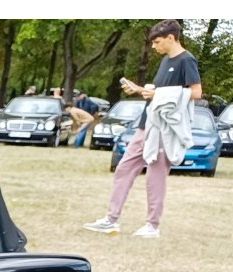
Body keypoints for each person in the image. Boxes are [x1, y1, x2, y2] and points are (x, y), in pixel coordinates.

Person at [85, 19, 202, 239]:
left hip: (164, 129)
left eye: (157, 42)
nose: (154, 47)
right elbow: (159, 92)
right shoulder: (165, 60)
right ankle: (111, 220)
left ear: (171, 37)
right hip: (146, 124)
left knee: (155, 177)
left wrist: (156, 93)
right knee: (124, 168)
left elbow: (196, 93)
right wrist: (140, 90)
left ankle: (152, 226)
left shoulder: (187, 60)